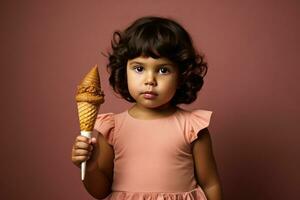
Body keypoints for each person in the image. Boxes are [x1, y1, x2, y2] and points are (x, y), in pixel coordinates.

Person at [71, 16, 223, 200]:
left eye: (163, 70)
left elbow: (210, 183)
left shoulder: (193, 127)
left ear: (182, 76)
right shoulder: (111, 128)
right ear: (123, 70)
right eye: (139, 68)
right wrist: (91, 166)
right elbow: (100, 191)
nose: (150, 80)